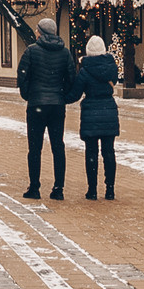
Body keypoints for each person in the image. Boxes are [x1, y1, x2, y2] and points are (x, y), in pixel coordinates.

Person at [16, 18, 72, 200]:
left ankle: (34, 187)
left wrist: (28, 94)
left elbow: (22, 75)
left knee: (35, 148)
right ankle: (58, 188)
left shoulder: (31, 51)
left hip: (36, 105)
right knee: (58, 146)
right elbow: (72, 78)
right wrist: (63, 96)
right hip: (57, 105)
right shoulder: (65, 53)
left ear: (40, 32)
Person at [74, 37, 119, 200]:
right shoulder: (112, 67)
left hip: (91, 113)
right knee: (109, 152)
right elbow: (114, 81)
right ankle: (110, 189)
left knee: (91, 152)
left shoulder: (84, 71)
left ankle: (92, 190)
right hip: (109, 110)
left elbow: (75, 93)